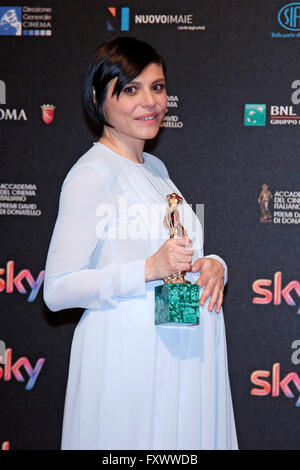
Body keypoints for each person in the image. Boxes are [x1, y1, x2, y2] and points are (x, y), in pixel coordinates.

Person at [43, 36, 238, 450]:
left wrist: (214, 264)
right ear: (99, 99)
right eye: (130, 89)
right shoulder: (93, 174)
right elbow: (58, 289)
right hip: (128, 367)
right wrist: (147, 270)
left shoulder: (155, 167)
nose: (150, 101)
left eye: (158, 87)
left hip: (178, 357)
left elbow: (176, 251)